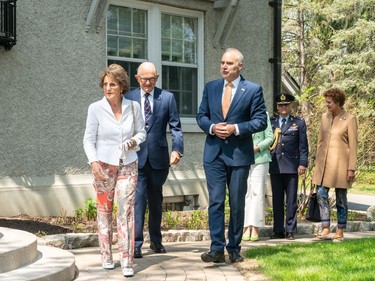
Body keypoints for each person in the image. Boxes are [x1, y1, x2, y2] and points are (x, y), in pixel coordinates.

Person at [196, 48, 267, 263]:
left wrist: (236, 128)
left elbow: (260, 121)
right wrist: (212, 127)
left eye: (229, 63)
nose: (224, 66)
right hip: (214, 154)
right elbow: (201, 116)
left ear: (240, 66)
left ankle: (234, 248)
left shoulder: (253, 90)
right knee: (216, 202)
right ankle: (216, 249)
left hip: (238, 155)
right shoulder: (211, 87)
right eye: (222, 62)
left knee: (237, 203)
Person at [83, 64, 146, 277]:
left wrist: (132, 142)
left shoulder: (134, 107)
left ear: (121, 86)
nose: (108, 88)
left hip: (128, 163)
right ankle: (106, 256)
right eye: (105, 84)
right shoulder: (95, 108)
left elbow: (142, 133)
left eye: (113, 84)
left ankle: (126, 260)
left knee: (126, 211)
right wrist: (94, 164)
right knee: (105, 211)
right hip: (103, 165)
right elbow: (88, 140)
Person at [126, 62, 183, 258]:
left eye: (151, 79)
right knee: (139, 201)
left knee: (156, 202)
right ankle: (136, 244)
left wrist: (177, 149)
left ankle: (156, 241)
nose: (148, 83)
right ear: (137, 78)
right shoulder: (129, 97)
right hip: (136, 157)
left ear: (157, 78)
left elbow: (175, 126)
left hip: (159, 158)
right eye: (144, 79)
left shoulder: (167, 97)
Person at [312, 88, 357, 242]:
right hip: (323, 165)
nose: (327, 105)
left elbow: (353, 145)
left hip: (341, 166)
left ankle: (340, 230)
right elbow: (320, 141)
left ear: (338, 102)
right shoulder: (324, 117)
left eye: (329, 102)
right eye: (326, 102)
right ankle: (325, 228)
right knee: (321, 194)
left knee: (341, 198)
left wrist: (351, 168)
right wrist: (316, 164)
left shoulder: (350, 119)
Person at [269, 93, 308, 240]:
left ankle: (290, 230)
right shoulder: (271, 122)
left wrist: (303, 164)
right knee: (277, 200)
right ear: (277, 107)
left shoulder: (298, 123)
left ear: (290, 106)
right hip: (275, 165)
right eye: (280, 105)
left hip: (292, 166)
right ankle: (278, 230)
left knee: (291, 201)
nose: (283, 107)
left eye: (286, 105)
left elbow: (303, 146)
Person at [242, 113, 274, 242]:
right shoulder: (240, 112)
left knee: (257, 193)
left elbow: (270, 137)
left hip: (260, 159)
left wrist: (256, 148)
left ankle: (255, 227)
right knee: (244, 193)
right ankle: (244, 226)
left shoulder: (263, 115)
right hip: (242, 159)